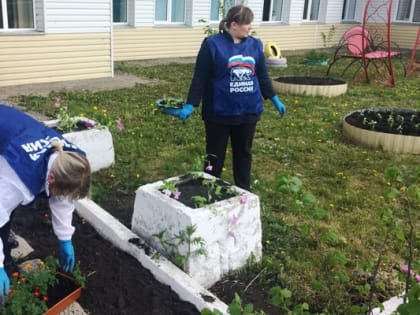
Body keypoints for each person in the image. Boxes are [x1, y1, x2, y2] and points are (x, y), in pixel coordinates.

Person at [168, 4, 286, 191]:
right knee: (214, 156)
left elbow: (262, 75)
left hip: (248, 111)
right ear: (233, 25)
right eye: (247, 23)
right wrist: (191, 104)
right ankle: (208, 191)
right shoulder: (212, 45)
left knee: (243, 153)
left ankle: (243, 192)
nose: (250, 27)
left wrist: (274, 98)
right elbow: (200, 77)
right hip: (219, 113)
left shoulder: (255, 45)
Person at [0, 104, 91, 297]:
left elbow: (62, 198)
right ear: (50, 179)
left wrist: (65, 238)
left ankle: (6, 256)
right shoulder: (18, 178)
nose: (63, 197)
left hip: (10, 132)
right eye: (60, 192)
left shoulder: (70, 161)